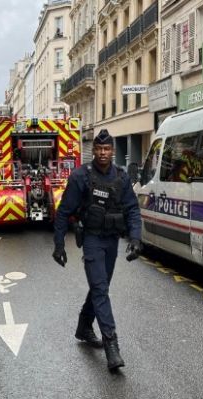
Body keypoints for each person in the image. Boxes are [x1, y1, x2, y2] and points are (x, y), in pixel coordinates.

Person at [52, 129, 143, 371]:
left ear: (112, 151)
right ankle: (112, 346)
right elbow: (63, 212)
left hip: (111, 241)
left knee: (99, 286)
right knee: (101, 289)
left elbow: (132, 209)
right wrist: (59, 244)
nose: (103, 153)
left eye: (107, 149)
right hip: (91, 239)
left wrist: (135, 238)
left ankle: (83, 327)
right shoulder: (81, 176)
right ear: (94, 150)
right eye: (99, 149)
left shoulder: (122, 179)